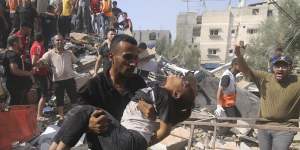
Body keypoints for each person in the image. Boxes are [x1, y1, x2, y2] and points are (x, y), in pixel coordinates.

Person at [49, 34, 155, 149]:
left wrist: (151, 112)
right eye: (127, 57)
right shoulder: (94, 86)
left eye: (135, 58)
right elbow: (75, 119)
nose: (133, 63)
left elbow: (149, 115)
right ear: (111, 56)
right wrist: (89, 126)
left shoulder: (138, 83)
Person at [50, 74, 197, 150]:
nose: (182, 77)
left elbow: (165, 130)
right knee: (78, 111)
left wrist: (144, 143)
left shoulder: (165, 95)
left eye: (184, 84)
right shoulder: (157, 90)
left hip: (130, 140)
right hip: (123, 137)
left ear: (176, 94)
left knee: (85, 111)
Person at [235, 45, 300, 150]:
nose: (280, 69)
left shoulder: (297, 82)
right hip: (263, 126)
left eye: (284, 66)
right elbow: (245, 70)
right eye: (277, 66)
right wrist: (239, 55)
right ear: (272, 67)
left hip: (285, 128)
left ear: (290, 68)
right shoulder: (264, 78)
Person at [38, 34, 82, 118]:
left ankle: (77, 116)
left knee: (74, 98)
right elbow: (41, 61)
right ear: (53, 42)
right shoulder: (49, 54)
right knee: (60, 100)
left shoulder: (69, 53)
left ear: (64, 41)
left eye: (61, 40)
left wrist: (80, 65)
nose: (59, 42)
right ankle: (61, 117)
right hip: (57, 81)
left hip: (69, 79)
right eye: (57, 40)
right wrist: (39, 63)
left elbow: (77, 61)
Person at [4, 35, 33, 105]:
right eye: (20, 42)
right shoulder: (12, 55)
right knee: (15, 107)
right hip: (15, 87)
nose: (21, 43)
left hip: (17, 86)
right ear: (15, 43)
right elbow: (14, 70)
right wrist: (29, 73)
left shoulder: (9, 53)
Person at [30, 32, 49, 121]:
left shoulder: (35, 44)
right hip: (40, 74)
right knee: (44, 94)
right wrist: (44, 65)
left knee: (40, 94)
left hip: (40, 73)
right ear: (43, 40)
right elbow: (34, 62)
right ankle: (39, 115)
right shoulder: (38, 47)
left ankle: (37, 113)